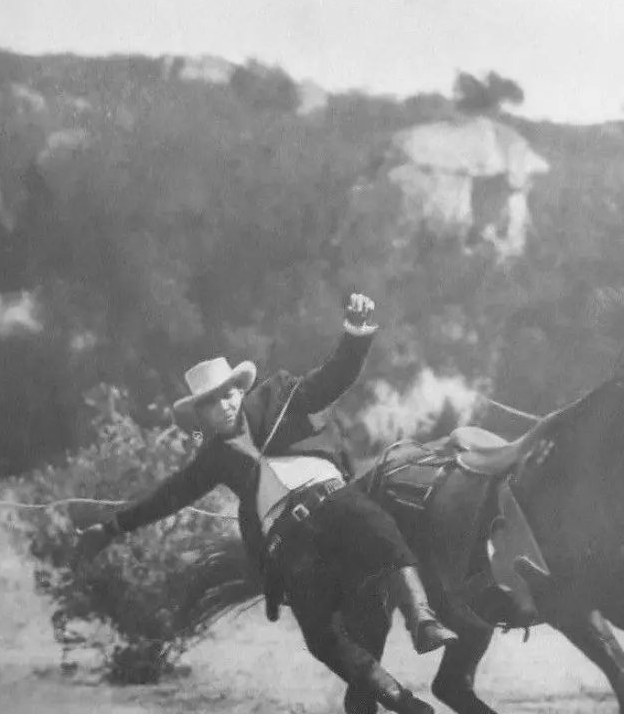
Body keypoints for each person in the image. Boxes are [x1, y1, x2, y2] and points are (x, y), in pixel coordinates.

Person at [76, 293, 455, 714]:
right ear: (201, 415)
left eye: (226, 394)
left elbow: (336, 376)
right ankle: (402, 701)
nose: (222, 405)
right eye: (210, 403)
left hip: (333, 501)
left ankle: (422, 621)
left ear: (240, 389)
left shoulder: (281, 397)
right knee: (319, 637)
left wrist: (356, 333)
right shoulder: (212, 459)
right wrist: (110, 528)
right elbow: (168, 497)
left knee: (384, 533)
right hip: (288, 541)